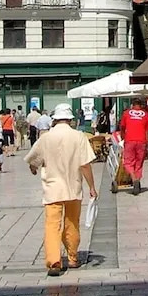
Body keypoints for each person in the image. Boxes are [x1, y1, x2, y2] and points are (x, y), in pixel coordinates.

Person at [24, 103, 97, 277]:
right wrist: (92, 187)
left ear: (55, 119)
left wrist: (34, 168)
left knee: (52, 225)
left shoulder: (46, 138)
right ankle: (72, 258)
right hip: (73, 187)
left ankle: (54, 262)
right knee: (72, 223)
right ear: (70, 120)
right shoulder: (79, 137)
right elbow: (85, 164)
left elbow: (33, 161)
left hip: (52, 189)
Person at [119, 98, 148, 195]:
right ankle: (137, 180)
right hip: (142, 141)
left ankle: (134, 179)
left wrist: (123, 138)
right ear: (141, 105)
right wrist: (147, 144)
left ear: (132, 104)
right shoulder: (145, 115)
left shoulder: (126, 113)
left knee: (128, 162)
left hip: (130, 140)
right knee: (139, 163)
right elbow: (147, 131)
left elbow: (122, 127)